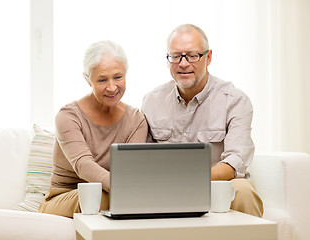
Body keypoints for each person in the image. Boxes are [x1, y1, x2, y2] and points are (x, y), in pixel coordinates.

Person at [141, 24, 263, 217]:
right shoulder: (151, 101)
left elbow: (235, 161)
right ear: (167, 59)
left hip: (217, 185)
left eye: (192, 55)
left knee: (244, 191)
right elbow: (143, 158)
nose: (183, 63)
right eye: (176, 56)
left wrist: (192, 178)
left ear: (208, 57)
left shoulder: (235, 101)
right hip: (167, 186)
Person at [39, 40, 148, 218]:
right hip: (65, 198)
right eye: (102, 80)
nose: (112, 87)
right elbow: (84, 165)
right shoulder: (68, 116)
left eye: (118, 77)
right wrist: (127, 189)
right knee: (98, 197)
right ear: (88, 79)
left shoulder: (136, 120)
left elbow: (130, 171)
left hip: (113, 194)